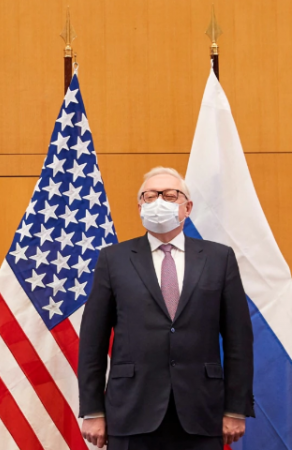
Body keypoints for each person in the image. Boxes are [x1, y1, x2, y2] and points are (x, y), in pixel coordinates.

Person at [78, 167, 254, 450]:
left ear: (188, 207)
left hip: (201, 413)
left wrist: (235, 408)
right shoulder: (113, 259)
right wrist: (93, 411)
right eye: (150, 196)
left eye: (170, 196)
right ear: (140, 207)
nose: (159, 202)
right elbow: (92, 341)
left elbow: (239, 341)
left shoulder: (219, 258)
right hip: (131, 411)